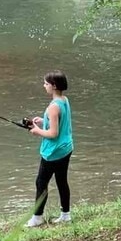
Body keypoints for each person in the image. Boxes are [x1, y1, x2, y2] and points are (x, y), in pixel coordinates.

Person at [26, 71, 74, 227]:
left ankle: (37, 217)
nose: (44, 86)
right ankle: (65, 215)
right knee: (61, 181)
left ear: (54, 86)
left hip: (53, 153)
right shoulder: (64, 100)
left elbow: (53, 133)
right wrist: (43, 120)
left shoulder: (53, 107)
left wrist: (37, 131)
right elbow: (59, 121)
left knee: (41, 183)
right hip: (66, 148)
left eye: (46, 83)